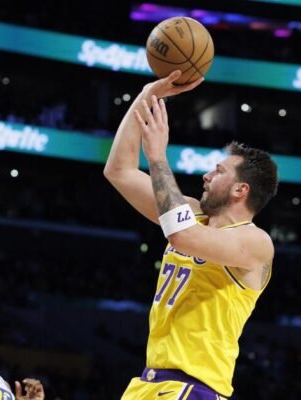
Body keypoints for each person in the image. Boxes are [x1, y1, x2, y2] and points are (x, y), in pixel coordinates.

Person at [104, 70, 278, 400]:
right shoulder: (192, 213)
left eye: (219, 171)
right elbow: (120, 171)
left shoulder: (255, 243)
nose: (206, 175)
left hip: (194, 388)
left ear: (240, 190)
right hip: (149, 382)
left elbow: (182, 236)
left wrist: (158, 157)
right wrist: (147, 95)